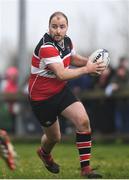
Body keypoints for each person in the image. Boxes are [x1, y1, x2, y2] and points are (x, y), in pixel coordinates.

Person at [28, 11, 105, 178]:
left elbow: (73, 58)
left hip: (61, 91)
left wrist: (92, 63)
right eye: (54, 27)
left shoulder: (67, 42)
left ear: (66, 28)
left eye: (62, 27)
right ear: (49, 27)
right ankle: (44, 154)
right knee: (54, 137)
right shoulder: (46, 47)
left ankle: (86, 170)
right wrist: (87, 70)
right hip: (42, 99)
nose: (58, 31)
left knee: (83, 121)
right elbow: (61, 74)